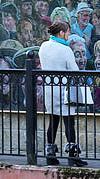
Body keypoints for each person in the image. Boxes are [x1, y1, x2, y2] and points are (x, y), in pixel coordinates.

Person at [38, 21, 88, 167]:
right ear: (61, 33)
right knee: (69, 122)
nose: (68, 35)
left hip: (49, 89)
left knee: (53, 121)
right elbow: (74, 70)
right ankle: (72, 156)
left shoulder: (44, 46)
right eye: (67, 32)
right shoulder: (65, 50)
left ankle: (50, 154)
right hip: (64, 90)